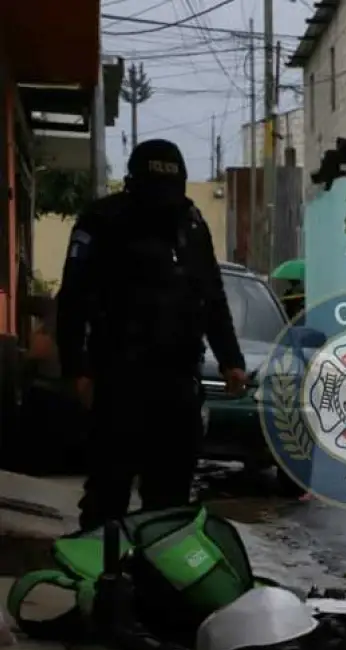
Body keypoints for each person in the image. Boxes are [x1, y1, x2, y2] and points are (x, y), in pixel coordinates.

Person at [56, 139, 247, 531]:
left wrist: (231, 361)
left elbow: (211, 295)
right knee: (108, 497)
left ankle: (156, 588)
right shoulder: (101, 221)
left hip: (177, 386)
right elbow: (73, 301)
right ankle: (101, 583)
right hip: (117, 382)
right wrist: (77, 369)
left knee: (169, 504)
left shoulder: (191, 225)